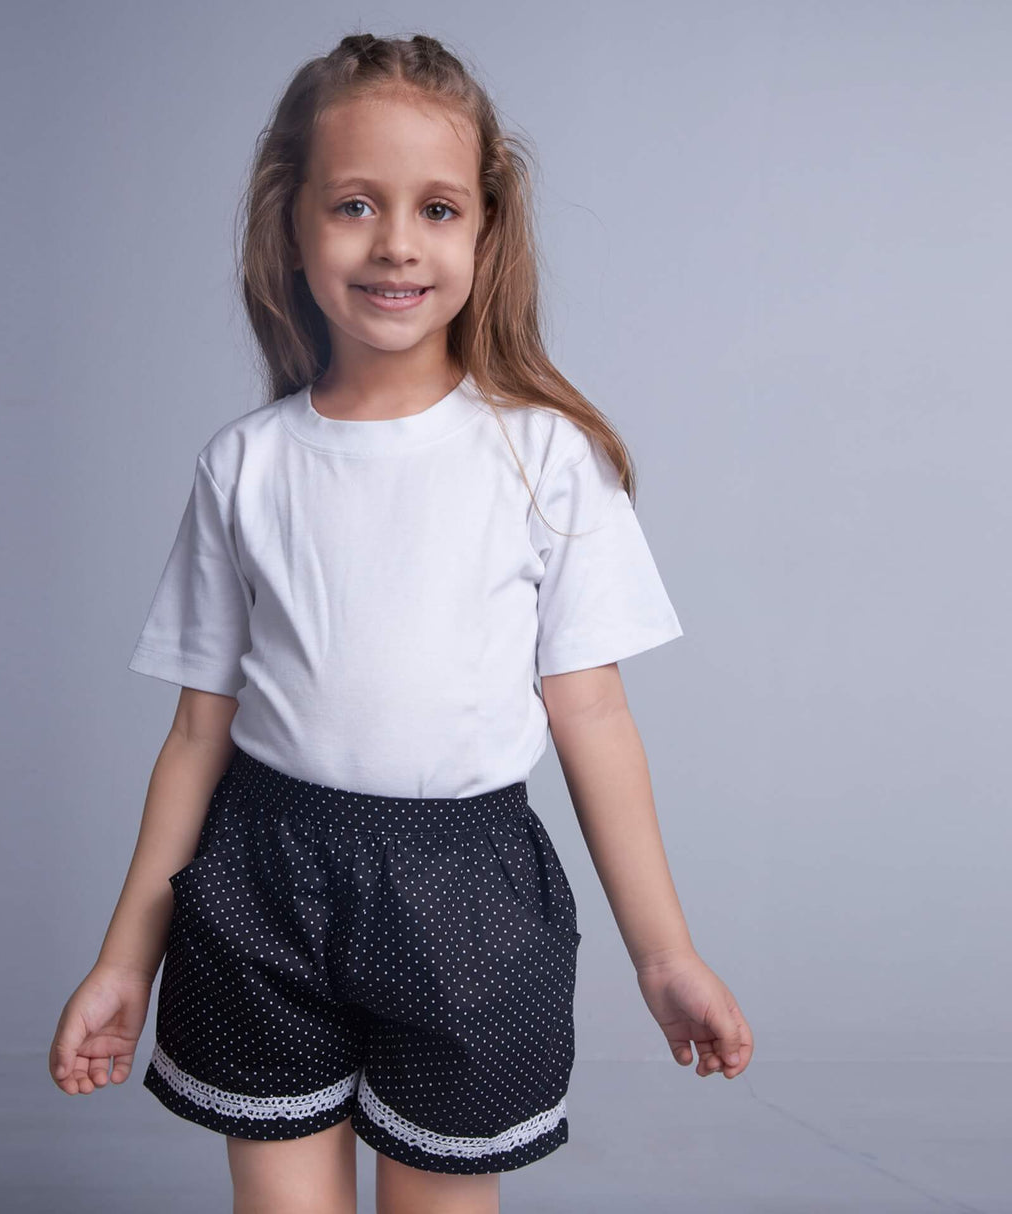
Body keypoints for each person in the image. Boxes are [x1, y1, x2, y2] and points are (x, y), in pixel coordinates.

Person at [49, 30, 753, 1214]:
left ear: (483, 231)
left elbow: (591, 716)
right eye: (354, 205)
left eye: (434, 208)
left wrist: (664, 952)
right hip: (260, 876)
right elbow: (194, 736)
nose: (394, 244)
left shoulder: (544, 460)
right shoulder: (246, 466)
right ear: (291, 226)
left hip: (469, 894)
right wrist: (127, 957)